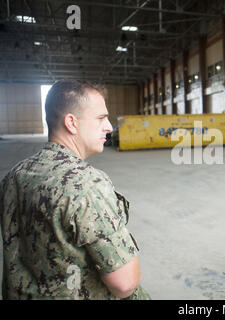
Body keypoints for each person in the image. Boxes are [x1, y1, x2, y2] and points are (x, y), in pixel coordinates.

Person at [0, 80, 150, 300]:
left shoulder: (15, 175)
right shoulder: (85, 184)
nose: (108, 127)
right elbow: (124, 283)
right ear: (72, 123)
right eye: (101, 118)